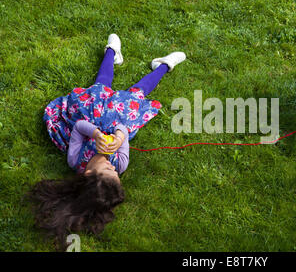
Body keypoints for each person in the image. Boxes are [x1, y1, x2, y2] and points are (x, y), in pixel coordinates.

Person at [29, 34, 186, 250]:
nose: (114, 167)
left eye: (108, 170)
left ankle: (111, 52)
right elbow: (123, 130)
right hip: (118, 119)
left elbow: (78, 128)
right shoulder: (120, 164)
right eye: (116, 172)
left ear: (88, 174)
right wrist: (120, 137)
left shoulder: (75, 160)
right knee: (136, 95)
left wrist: (95, 134)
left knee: (100, 86)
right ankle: (163, 66)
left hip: (91, 115)